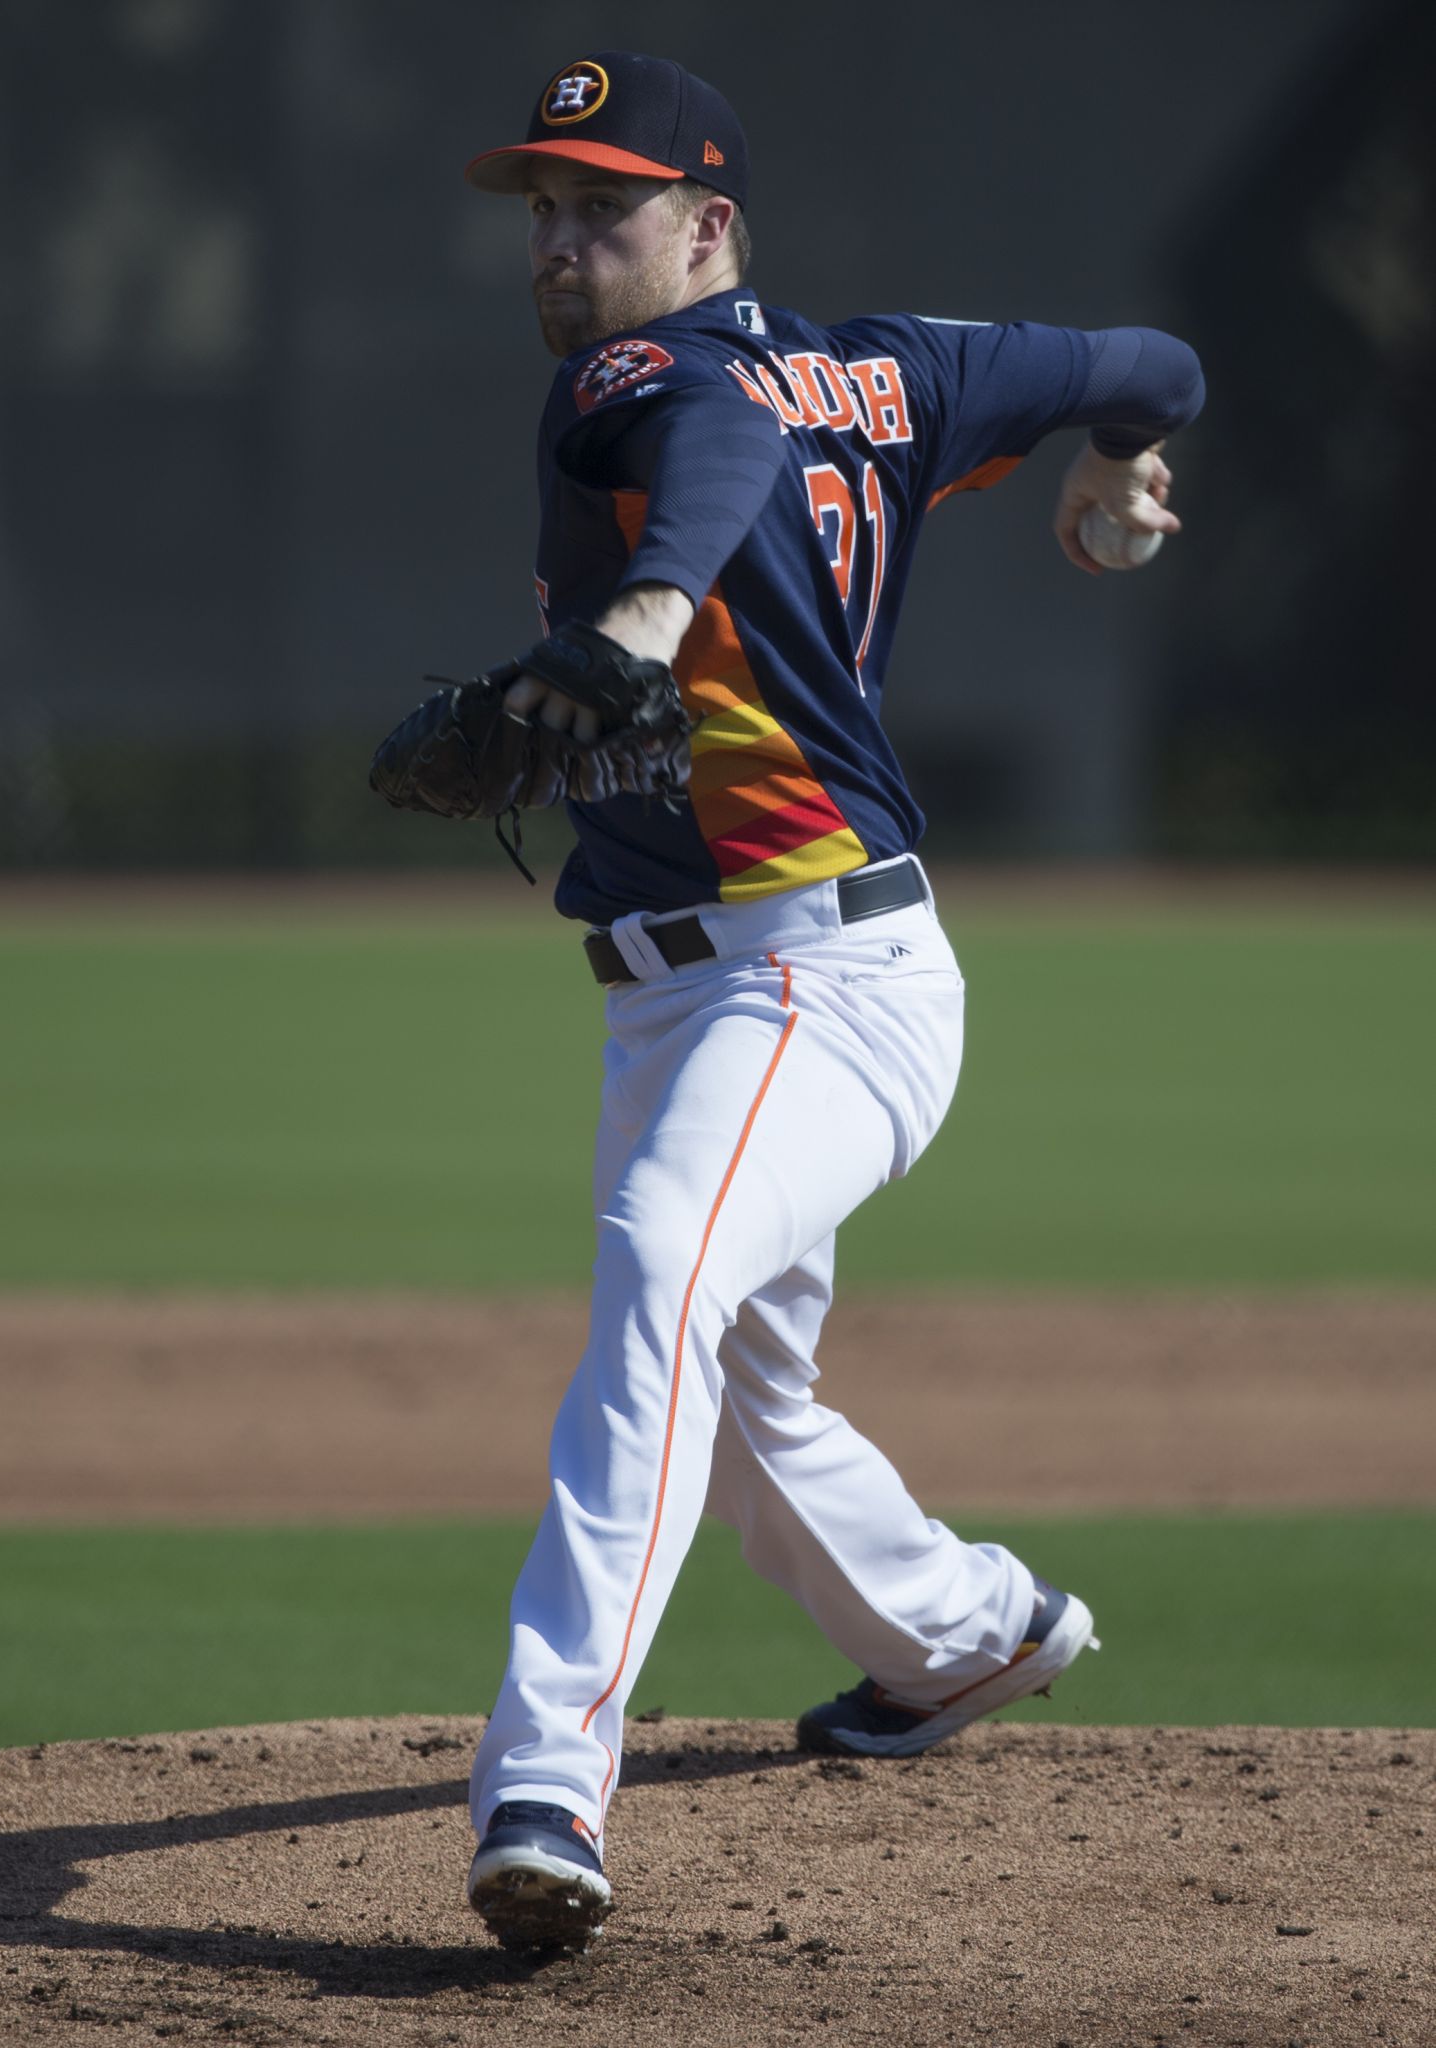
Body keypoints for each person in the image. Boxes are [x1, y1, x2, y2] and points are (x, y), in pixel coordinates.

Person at [456, 50, 1204, 1954]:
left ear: (709, 227)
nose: (559, 240)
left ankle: (548, 1776)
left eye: (601, 206)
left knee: (656, 1268)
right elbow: (1155, 363)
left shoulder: (641, 376)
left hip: (818, 972)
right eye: (542, 204)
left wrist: (635, 619)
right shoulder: (906, 367)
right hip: (695, 991)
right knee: (748, 1388)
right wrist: (1120, 459)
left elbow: (719, 450)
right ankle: (969, 1635)